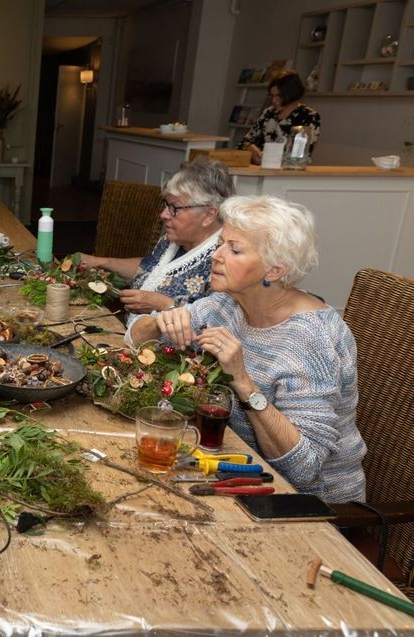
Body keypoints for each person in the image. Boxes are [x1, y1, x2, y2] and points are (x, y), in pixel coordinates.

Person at [127, 195, 366, 503]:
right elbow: (134, 341)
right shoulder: (227, 303)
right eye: (221, 243)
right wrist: (159, 323)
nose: (216, 255)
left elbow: (304, 469)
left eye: (235, 249)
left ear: (274, 270)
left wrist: (242, 380)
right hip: (235, 469)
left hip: (309, 506)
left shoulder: (311, 339)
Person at [79, 157, 234, 315]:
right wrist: (99, 262)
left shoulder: (224, 259)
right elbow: (147, 268)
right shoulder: (175, 238)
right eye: (166, 204)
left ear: (209, 214)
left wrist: (161, 304)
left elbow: (215, 320)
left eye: (175, 207)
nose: (164, 214)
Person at [239, 72, 321, 165]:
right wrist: (251, 148)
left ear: (292, 94)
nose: (274, 101)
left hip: (286, 174)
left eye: (279, 96)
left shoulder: (309, 116)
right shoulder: (269, 112)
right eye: (272, 96)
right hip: (259, 169)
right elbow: (245, 141)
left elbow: (300, 155)